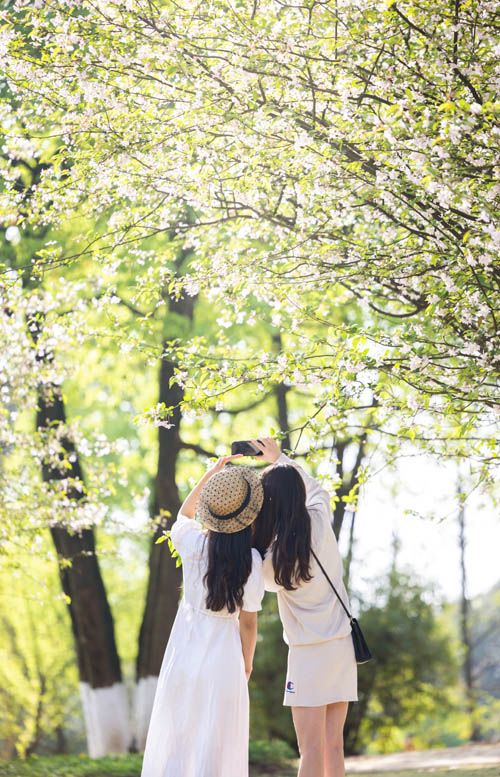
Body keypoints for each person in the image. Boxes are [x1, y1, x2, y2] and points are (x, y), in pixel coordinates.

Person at [141, 454, 265, 777]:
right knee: (219, 748)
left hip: (183, 653)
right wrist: (246, 664)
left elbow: (183, 515)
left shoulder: (193, 545)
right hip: (225, 661)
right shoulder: (251, 563)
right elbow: (248, 623)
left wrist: (211, 474)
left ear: (213, 515)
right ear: (247, 519)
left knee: (178, 743)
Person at [252, 438, 357, 777]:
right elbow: (317, 489)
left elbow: (257, 582)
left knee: (309, 749)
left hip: (306, 656)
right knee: (333, 745)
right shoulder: (321, 523)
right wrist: (281, 458)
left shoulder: (271, 562)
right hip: (340, 646)